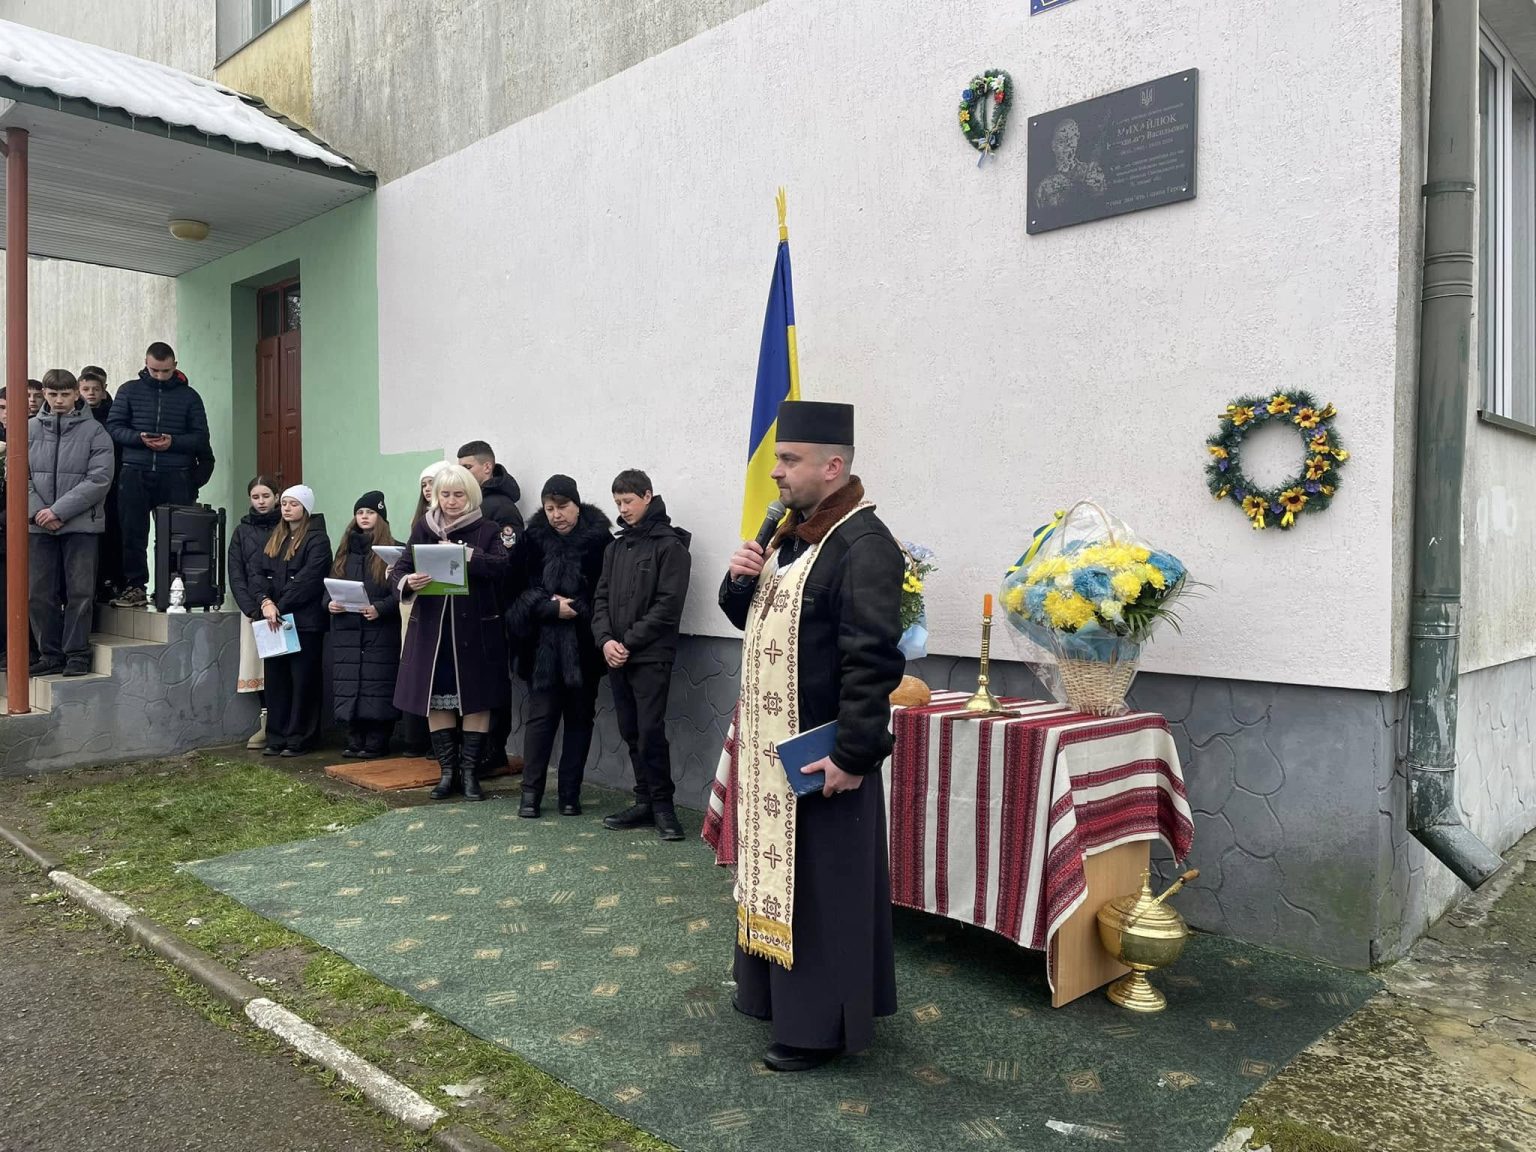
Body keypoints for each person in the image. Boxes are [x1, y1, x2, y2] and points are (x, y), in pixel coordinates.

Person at [718, 400, 904, 1073]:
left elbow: (872, 658)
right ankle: (771, 997)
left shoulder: (863, 544)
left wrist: (854, 754)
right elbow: (757, 621)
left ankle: (817, 1030)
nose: (776, 473)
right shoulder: (789, 536)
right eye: (776, 459)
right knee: (780, 881)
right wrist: (738, 581)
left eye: (789, 460)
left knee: (825, 894)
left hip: (824, 757)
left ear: (833, 467)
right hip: (775, 753)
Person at [391, 464, 510, 801]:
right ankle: (447, 773)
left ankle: (470, 774)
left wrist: (470, 557)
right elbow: (400, 568)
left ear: (470, 495)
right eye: (445, 494)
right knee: (437, 698)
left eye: (459, 494)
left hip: (474, 631)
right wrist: (408, 581)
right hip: (433, 634)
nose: (452, 501)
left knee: (476, 700)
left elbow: (503, 567)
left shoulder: (487, 529)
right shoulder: (423, 528)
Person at [593, 469, 692, 841]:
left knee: (650, 731)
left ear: (648, 496)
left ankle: (664, 808)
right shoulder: (615, 548)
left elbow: (668, 606)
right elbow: (601, 599)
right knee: (630, 730)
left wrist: (628, 642)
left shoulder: (670, 546)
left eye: (629, 501)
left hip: (650, 655)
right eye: (618, 502)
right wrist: (606, 640)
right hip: (616, 654)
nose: (623, 509)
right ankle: (644, 802)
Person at [506, 475, 612, 819]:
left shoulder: (601, 542)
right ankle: (530, 794)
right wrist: (548, 607)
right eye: (550, 508)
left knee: (580, 722)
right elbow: (513, 593)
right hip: (541, 651)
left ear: (577, 505)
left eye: (562, 507)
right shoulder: (531, 540)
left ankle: (570, 794)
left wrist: (579, 607)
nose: (556, 515)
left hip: (584, 649)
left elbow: (608, 595)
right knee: (540, 721)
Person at [106, 342, 210, 609]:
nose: (160, 376)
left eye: (166, 371)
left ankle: (171, 588)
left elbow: (200, 438)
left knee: (175, 536)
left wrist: (172, 442)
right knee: (132, 534)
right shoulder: (129, 390)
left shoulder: (190, 396)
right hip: (135, 471)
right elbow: (113, 428)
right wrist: (139, 438)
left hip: (175, 474)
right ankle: (135, 587)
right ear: (146, 364)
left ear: (175, 366)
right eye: (155, 370)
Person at [26, 370, 114, 677]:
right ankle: (50, 654)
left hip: (81, 525)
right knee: (38, 594)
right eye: (53, 394)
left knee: (80, 593)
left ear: (76, 393)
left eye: (65, 394)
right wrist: (39, 512)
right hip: (38, 526)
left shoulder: (96, 432)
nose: (59, 400)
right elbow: (18, 476)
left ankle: (77, 654)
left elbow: (99, 479)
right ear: (44, 394)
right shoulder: (28, 429)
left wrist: (58, 511)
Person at [457, 439, 524, 776]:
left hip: (496, 608)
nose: (461, 474)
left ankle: (494, 750)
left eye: (467, 467)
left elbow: (509, 561)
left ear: (487, 467)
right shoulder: (470, 504)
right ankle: (473, 749)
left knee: (494, 682)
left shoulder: (501, 509)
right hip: (469, 607)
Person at [255, 485, 331, 756]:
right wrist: (265, 601)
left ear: (305, 508)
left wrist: (279, 605)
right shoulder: (276, 537)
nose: (287, 508)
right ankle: (276, 736)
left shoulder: (317, 540)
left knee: (303, 681)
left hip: (304, 622)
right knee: (276, 681)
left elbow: (309, 580)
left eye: (293, 504)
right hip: (273, 620)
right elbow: (259, 573)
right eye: (284, 503)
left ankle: (300, 737)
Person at [327, 491, 401, 759]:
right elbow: (329, 586)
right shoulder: (344, 551)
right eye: (360, 512)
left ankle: (377, 740)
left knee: (377, 684)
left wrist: (380, 608)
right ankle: (354, 739)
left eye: (370, 512)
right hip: (348, 630)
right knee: (350, 683)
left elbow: (402, 592)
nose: (364, 517)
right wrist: (330, 604)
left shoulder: (394, 550)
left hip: (380, 631)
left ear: (381, 517)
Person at [398, 461, 450, 760]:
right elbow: (407, 562)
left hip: (451, 609)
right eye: (424, 484)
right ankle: (429, 744)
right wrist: (405, 578)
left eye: (433, 482)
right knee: (422, 677)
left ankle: (447, 751)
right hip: (422, 604)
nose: (428, 489)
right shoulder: (421, 523)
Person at [227, 476, 281, 749]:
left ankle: (284, 723)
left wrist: (279, 602)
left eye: (266, 496)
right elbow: (236, 573)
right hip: (253, 609)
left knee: (282, 665)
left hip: (282, 606)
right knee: (256, 664)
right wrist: (251, 608)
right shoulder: (242, 531)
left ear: (277, 497)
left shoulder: (286, 526)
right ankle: (265, 721)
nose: (261, 502)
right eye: (256, 497)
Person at [78, 366, 125, 603]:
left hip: (112, 485)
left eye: (95, 389)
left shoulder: (115, 415)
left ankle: (110, 582)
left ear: (104, 390)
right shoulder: (74, 416)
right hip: (81, 485)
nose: (91, 393)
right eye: (86, 389)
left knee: (111, 535)